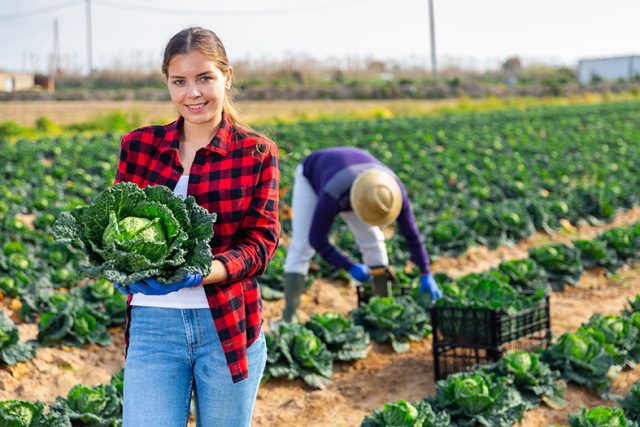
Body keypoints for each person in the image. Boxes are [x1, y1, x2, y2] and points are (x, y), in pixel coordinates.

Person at [112, 27, 280, 427]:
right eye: (179, 81)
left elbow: (261, 242)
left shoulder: (256, 153)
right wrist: (116, 268)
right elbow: (114, 226)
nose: (193, 93)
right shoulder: (138, 146)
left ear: (227, 77)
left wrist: (204, 272)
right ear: (167, 84)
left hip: (227, 325)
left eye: (205, 77)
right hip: (154, 326)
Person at [281, 146, 441, 323]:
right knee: (302, 245)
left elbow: (412, 234)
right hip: (313, 174)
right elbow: (317, 239)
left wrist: (426, 272)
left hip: (364, 180)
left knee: (373, 239)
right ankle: (289, 316)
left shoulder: (393, 190)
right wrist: (350, 267)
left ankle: (383, 307)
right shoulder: (334, 193)